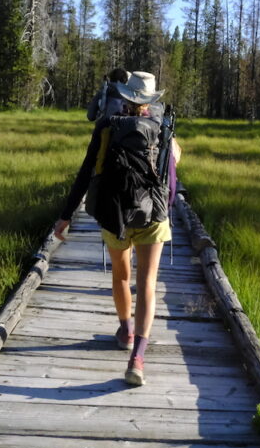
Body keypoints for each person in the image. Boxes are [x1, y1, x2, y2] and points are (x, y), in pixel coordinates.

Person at [54, 71, 181, 386]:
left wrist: (66, 215)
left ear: (124, 97)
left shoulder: (106, 127)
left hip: (115, 214)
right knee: (147, 283)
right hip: (154, 215)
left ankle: (125, 330)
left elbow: (86, 171)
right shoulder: (164, 128)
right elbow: (171, 171)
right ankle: (137, 356)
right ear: (151, 101)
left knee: (121, 276)